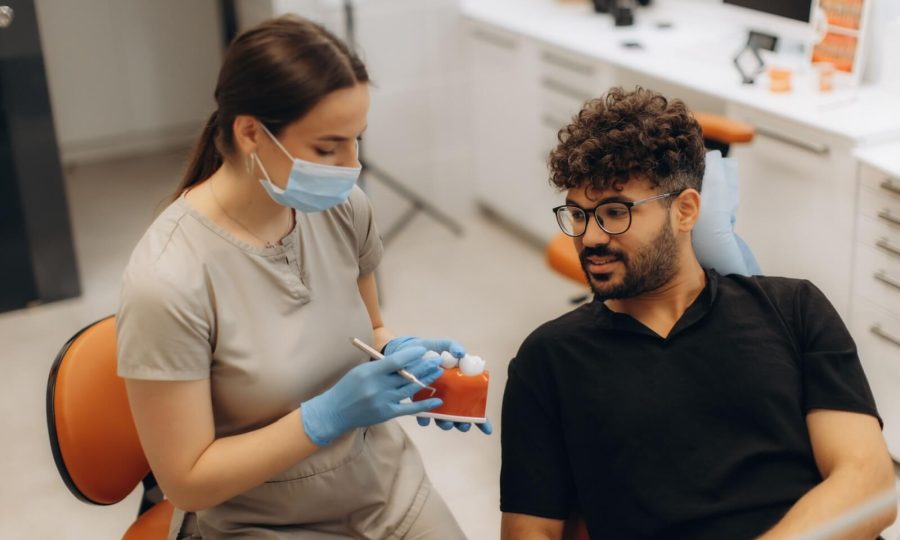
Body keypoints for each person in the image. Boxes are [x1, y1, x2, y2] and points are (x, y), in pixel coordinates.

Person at [116, 16, 487, 539]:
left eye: (357, 139)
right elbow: (189, 483)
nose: (351, 165)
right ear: (250, 133)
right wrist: (323, 417)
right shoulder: (168, 281)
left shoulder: (343, 209)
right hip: (265, 522)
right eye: (327, 147)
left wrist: (410, 364)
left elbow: (369, 332)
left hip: (383, 489)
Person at [499, 87, 896, 539]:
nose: (590, 238)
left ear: (685, 211)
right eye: (577, 215)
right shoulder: (549, 359)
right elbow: (530, 531)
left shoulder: (793, 309)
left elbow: (869, 483)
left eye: (614, 212)